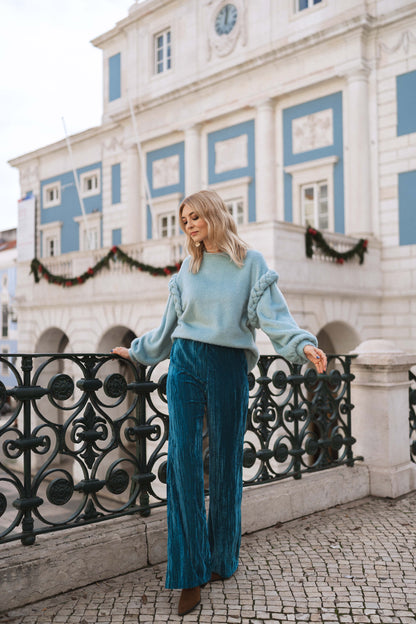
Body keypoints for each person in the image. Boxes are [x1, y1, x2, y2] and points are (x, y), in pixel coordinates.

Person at [112, 189, 327, 616]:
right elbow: (167, 329)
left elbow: (275, 319)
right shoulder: (185, 271)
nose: (189, 225)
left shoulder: (251, 263)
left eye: (195, 217)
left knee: (227, 462)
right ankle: (189, 573)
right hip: (185, 364)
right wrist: (137, 352)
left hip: (229, 366)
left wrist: (302, 345)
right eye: (184, 219)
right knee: (184, 465)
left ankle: (222, 559)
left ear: (214, 215)